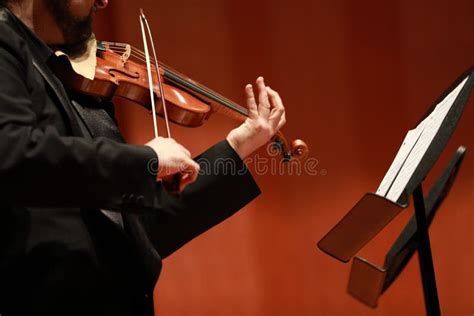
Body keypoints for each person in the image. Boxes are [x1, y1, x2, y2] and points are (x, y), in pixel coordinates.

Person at [0, 0, 286, 315]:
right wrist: (145, 159)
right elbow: (12, 154)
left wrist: (237, 146)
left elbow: (131, 235)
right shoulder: (5, 44)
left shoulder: (72, 81)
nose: (103, 1)